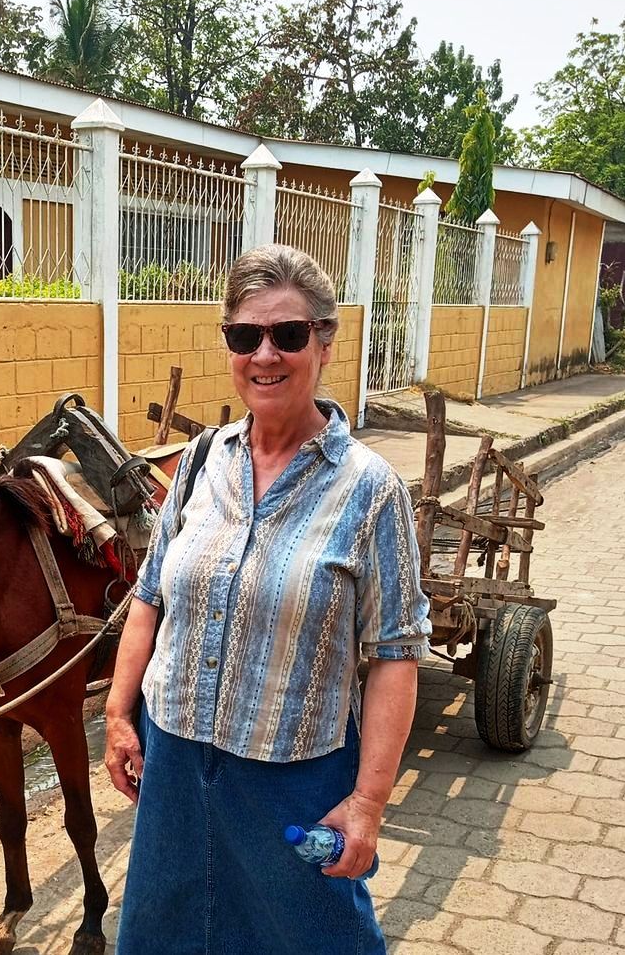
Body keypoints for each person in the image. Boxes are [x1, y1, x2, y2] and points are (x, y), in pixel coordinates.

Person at [105, 244, 432, 954]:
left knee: (314, 938)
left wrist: (368, 803)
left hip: (294, 780)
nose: (265, 354)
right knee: (169, 937)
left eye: (287, 334)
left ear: (324, 343)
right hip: (175, 767)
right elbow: (150, 594)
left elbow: (396, 655)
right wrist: (118, 715)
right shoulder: (200, 462)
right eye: (244, 335)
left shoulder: (370, 490)